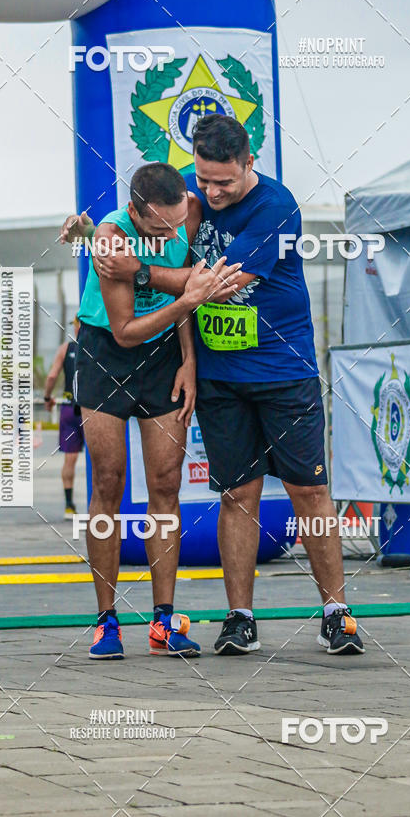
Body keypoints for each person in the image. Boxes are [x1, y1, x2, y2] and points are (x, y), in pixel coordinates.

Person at [83, 116, 365, 657]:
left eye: (223, 184)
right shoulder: (186, 197)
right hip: (220, 380)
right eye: (203, 180)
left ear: (249, 163)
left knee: (309, 491)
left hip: (283, 373)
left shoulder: (278, 209)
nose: (210, 193)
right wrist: (98, 238)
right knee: (237, 495)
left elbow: (216, 284)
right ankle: (240, 619)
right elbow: (144, 232)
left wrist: (136, 272)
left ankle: (336, 612)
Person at [60, 162, 240, 660]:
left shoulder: (188, 209)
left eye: (178, 222)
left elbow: (180, 288)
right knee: (109, 483)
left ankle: (164, 620)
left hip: (163, 356)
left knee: (165, 483)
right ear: (137, 213)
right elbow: (126, 331)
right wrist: (190, 296)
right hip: (107, 352)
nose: (173, 232)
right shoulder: (112, 241)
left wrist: (188, 359)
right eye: (161, 227)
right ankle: (106, 621)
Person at [43, 317, 84, 519]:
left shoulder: (65, 348)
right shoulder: (100, 347)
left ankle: (69, 506)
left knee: (70, 459)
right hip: (93, 409)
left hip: (69, 409)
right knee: (102, 459)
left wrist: (47, 397)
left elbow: (51, 376)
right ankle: (103, 507)